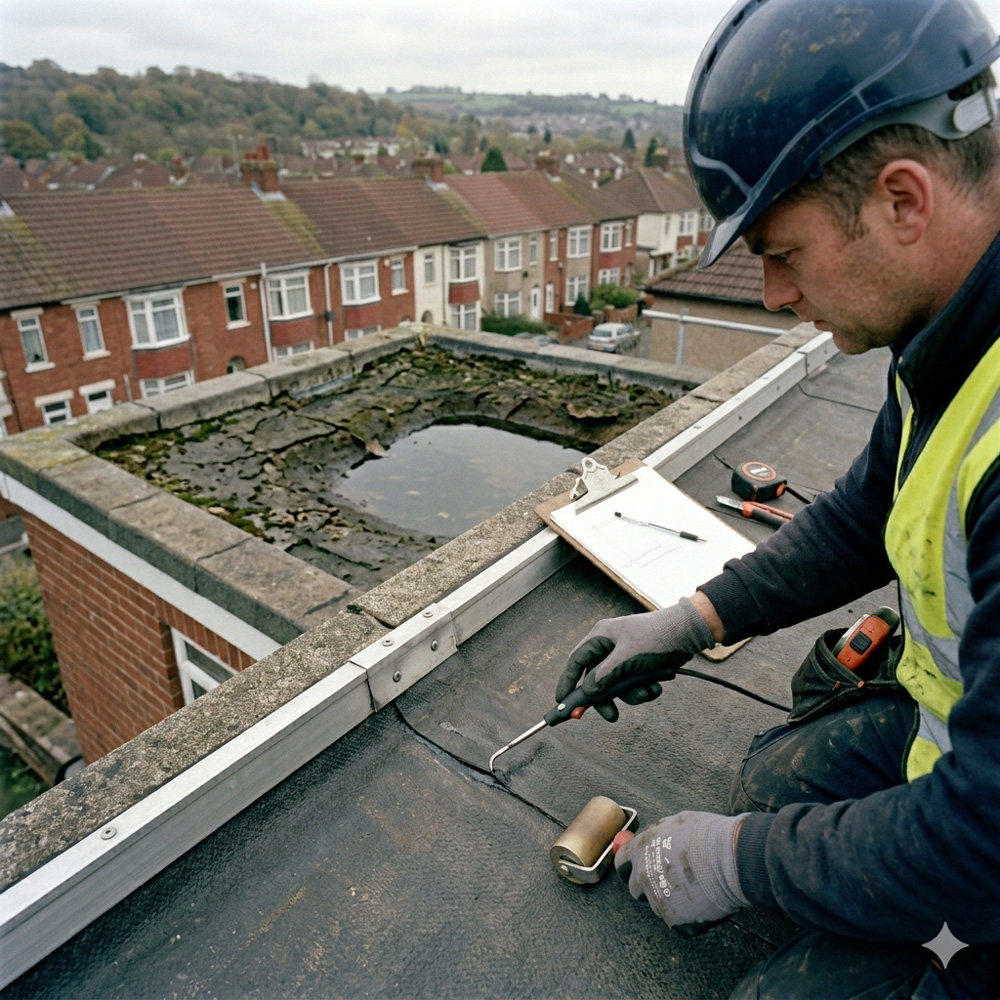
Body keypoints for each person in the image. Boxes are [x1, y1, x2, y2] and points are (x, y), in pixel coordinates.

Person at [555, 1, 1000, 996]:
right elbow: (865, 513)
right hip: (970, 736)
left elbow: (982, 836)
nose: (769, 294)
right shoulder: (958, 317)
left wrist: (738, 861)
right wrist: (694, 617)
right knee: (769, 781)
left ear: (901, 201)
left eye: (780, 252)